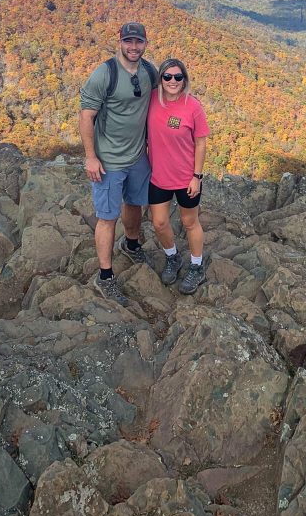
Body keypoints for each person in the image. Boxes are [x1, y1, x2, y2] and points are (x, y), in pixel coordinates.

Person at [79, 22, 156, 305]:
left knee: (135, 203)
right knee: (107, 217)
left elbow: (164, 101)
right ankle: (106, 276)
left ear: (145, 43)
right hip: (109, 160)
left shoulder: (150, 72)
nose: (133, 47)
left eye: (139, 42)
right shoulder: (105, 74)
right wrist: (91, 157)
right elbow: (86, 116)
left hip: (138, 156)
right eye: (129, 42)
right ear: (120, 42)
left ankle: (131, 244)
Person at [146, 58, 210, 294]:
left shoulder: (192, 106)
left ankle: (196, 266)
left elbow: (201, 143)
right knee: (160, 223)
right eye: (167, 77)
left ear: (184, 80)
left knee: (189, 222)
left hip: (186, 178)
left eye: (178, 77)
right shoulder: (152, 100)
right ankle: (173, 257)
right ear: (160, 79)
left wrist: (197, 176)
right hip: (159, 176)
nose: (172, 81)